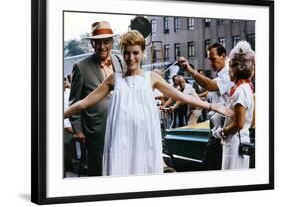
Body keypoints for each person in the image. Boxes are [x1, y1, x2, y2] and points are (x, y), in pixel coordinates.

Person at [65, 30, 232, 176]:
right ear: (122, 53)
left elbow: (183, 97)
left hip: (144, 139)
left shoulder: (151, 78)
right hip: (120, 140)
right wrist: (60, 115)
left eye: (135, 53)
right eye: (127, 53)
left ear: (143, 52)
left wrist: (211, 106)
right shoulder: (114, 79)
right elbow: (84, 102)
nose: (131, 58)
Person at [68, 21, 124, 176]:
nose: (102, 47)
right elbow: (74, 101)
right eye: (97, 43)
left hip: (122, 130)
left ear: (112, 42)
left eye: (106, 42)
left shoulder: (121, 61)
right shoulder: (80, 67)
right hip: (95, 134)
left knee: (120, 171)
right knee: (98, 173)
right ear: (92, 43)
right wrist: (78, 130)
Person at [178, 43, 234, 170]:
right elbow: (211, 97)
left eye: (213, 59)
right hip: (215, 134)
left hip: (222, 136)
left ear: (223, 56)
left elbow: (210, 85)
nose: (211, 63)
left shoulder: (228, 75)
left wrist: (191, 71)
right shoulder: (219, 76)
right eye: (209, 60)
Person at [212, 41, 255, 169]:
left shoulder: (240, 91)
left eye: (229, 67)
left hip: (235, 143)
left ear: (235, 69)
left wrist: (222, 131)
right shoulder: (247, 88)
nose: (228, 71)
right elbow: (249, 121)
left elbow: (238, 124)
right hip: (242, 141)